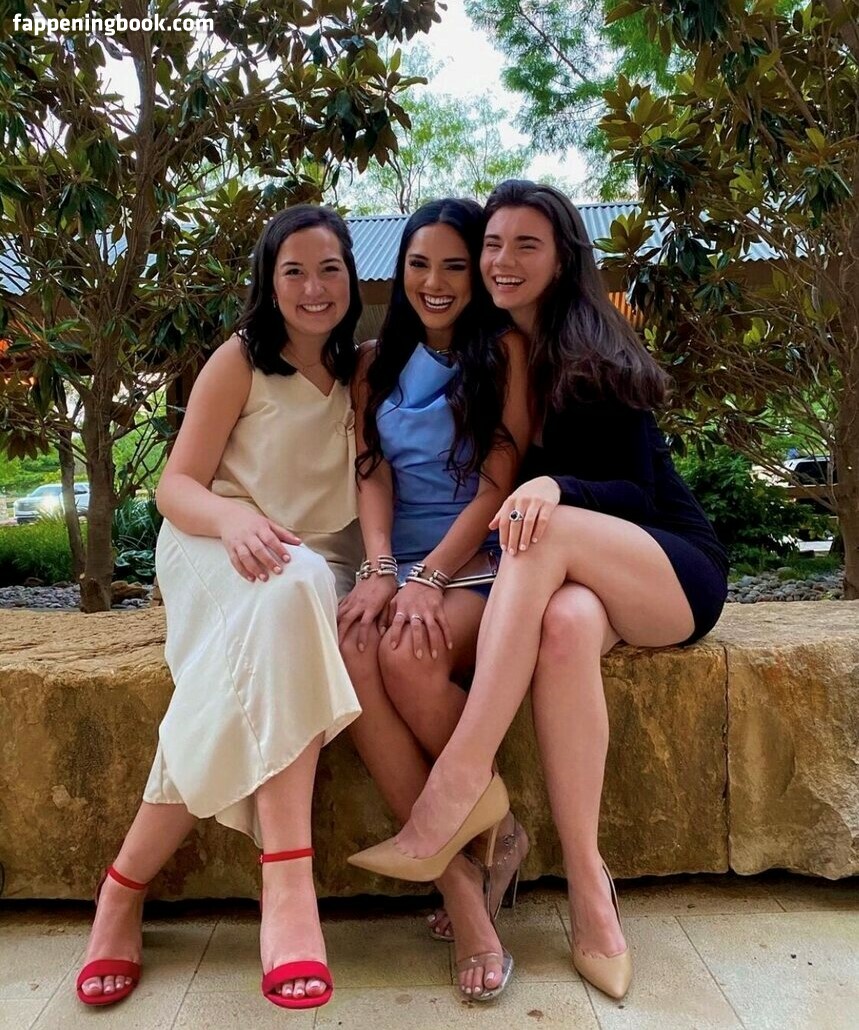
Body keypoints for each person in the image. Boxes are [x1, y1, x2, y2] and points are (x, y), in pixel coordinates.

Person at [348, 180, 729, 1001]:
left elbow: (639, 492)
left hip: (666, 566)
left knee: (534, 523)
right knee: (563, 627)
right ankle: (590, 888)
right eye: (493, 244)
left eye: (525, 245)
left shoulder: (592, 345)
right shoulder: (498, 351)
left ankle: (459, 781)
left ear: (561, 258)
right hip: (578, 583)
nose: (501, 260)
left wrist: (555, 487)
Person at [76, 205, 365, 1012]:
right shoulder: (239, 360)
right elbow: (175, 486)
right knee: (293, 587)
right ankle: (289, 881)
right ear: (269, 282)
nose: (314, 287)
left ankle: (122, 887)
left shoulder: (362, 369)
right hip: (216, 542)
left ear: (352, 276)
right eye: (294, 271)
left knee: (277, 619)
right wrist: (234, 521)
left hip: (317, 562)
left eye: (330, 269)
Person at [338, 198, 530, 1000]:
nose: (436, 281)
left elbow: (497, 484)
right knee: (353, 647)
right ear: (401, 270)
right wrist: (382, 567)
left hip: (476, 560)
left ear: (475, 275)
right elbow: (371, 471)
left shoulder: (504, 351)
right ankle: (472, 863)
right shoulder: (372, 360)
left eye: (455, 264)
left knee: (407, 656)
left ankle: (476, 850)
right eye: (420, 264)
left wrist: (429, 578)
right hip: (399, 559)